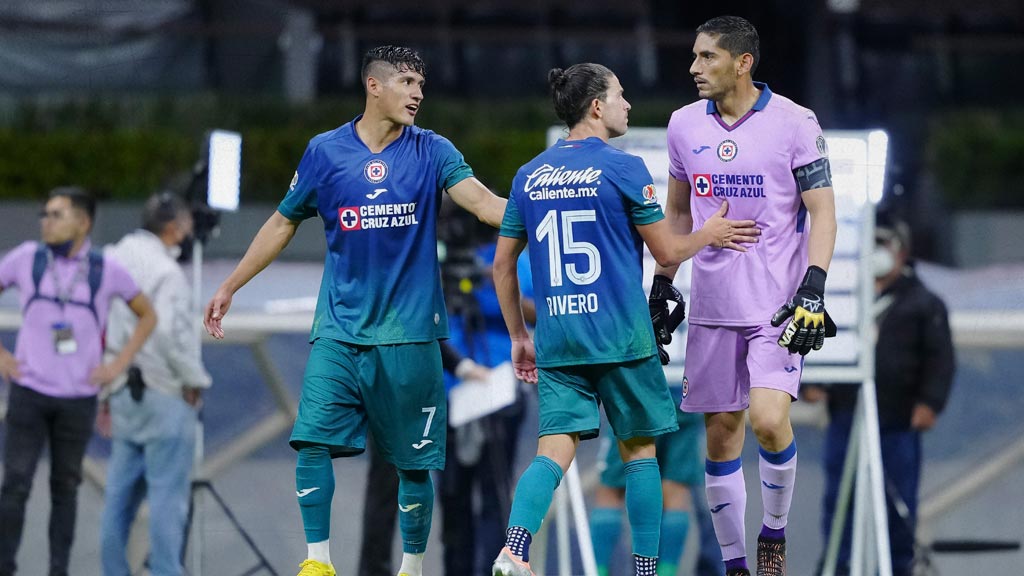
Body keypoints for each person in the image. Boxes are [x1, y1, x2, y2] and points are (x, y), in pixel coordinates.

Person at [203, 45, 506, 576]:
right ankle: (318, 562)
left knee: (414, 465)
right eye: (408, 81)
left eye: (421, 83)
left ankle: (411, 568)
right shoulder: (324, 151)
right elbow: (281, 223)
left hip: (411, 335)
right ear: (374, 85)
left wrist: (546, 206)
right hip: (339, 329)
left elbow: (481, 202)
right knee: (312, 441)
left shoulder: (432, 150)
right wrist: (231, 283)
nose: (418, 93)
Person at [490, 63, 759, 576]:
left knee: (553, 450)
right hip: (620, 336)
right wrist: (712, 232)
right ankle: (644, 571)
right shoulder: (624, 168)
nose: (627, 105)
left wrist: (520, 335)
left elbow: (501, 264)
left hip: (560, 337)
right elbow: (667, 249)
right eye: (620, 95)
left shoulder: (529, 174)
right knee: (640, 453)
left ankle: (514, 549)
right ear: (596, 106)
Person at [649, 16, 837, 576]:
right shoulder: (683, 125)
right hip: (713, 307)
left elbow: (822, 211)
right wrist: (663, 282)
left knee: (770, 420)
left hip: (777, 306)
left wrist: (815, 284)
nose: (693, 68)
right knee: (721, 432)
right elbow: (678, 211)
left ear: (743, 62)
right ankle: (735, 564)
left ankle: (773, 536)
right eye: (694, 56)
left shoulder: (796, 123)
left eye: (707, 57)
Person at [0, 186, 157, 576]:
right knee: (15, 485)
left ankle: (58, 570)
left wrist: (119, 364)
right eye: (45, 214)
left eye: (56, 214)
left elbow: (147, 315)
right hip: (29, 392)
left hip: (78, 398)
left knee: (65, 489)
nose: (46, 222)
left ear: (83, 222)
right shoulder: (25, 258)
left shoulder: (106, 269)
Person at [806, 218, 954, 576]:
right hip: (846, 415)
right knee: (840, 498)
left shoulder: (923, 303)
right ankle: (839, 565)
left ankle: (896, 567)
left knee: (897, 503)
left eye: (883, 243)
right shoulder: (842, 297)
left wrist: (929, 403)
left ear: (901, 251)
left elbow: (940, 359)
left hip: (898, 420)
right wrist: (810, 382)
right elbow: (821, 343)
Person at [100, 191, 213, 576]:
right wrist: (195, 379)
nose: (187, 235)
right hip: (163, 391)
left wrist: (104, 389)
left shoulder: (113, 258)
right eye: (184, 227)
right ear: (172, 227)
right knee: (168, 499)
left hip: (120, 390)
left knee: (117, 500)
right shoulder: (167, 273)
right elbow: (170, 335)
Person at [356, 340, 490, 576]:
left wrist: (461, 367)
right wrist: (461, 366)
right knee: (389, 489)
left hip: (401, 386)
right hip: (392, 386)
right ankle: (377, 570)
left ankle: (393, 569)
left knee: (400, 487)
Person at [590, 392, 712, 576]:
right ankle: (664, 573)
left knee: (611, 490)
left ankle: (596, 572)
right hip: (683, 393)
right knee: (675, 490)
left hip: (635, 393)